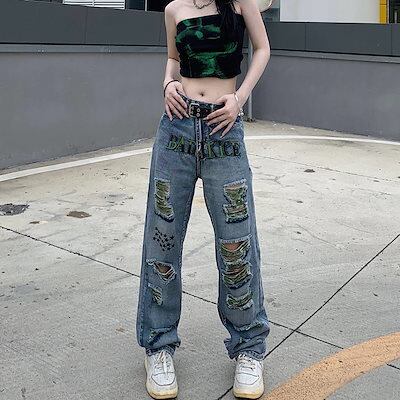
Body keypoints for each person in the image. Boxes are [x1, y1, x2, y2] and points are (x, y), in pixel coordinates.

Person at [136, 0, 272, 398]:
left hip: (223, 131)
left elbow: (263, 49)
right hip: (176, 130)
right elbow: (173, 60)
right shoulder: (174, 8)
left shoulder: (240, 2)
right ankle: (158, 346)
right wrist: (167, 84)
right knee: (162, 243)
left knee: (236, 244)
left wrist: (239, 98)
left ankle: (248, 349)